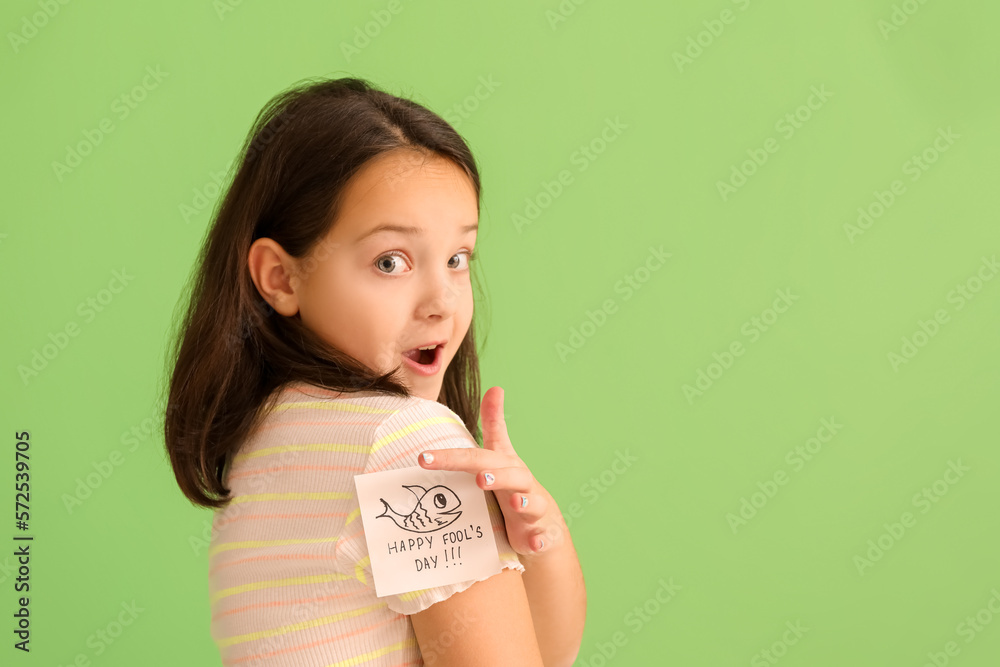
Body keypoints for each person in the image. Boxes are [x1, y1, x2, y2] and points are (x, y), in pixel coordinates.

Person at [162, 76, 586, 666]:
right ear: (281, 277)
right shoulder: (408, 446)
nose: (441, 300)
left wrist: (542, 540)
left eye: (458, 258)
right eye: (391, 261)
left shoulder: (264, 441)